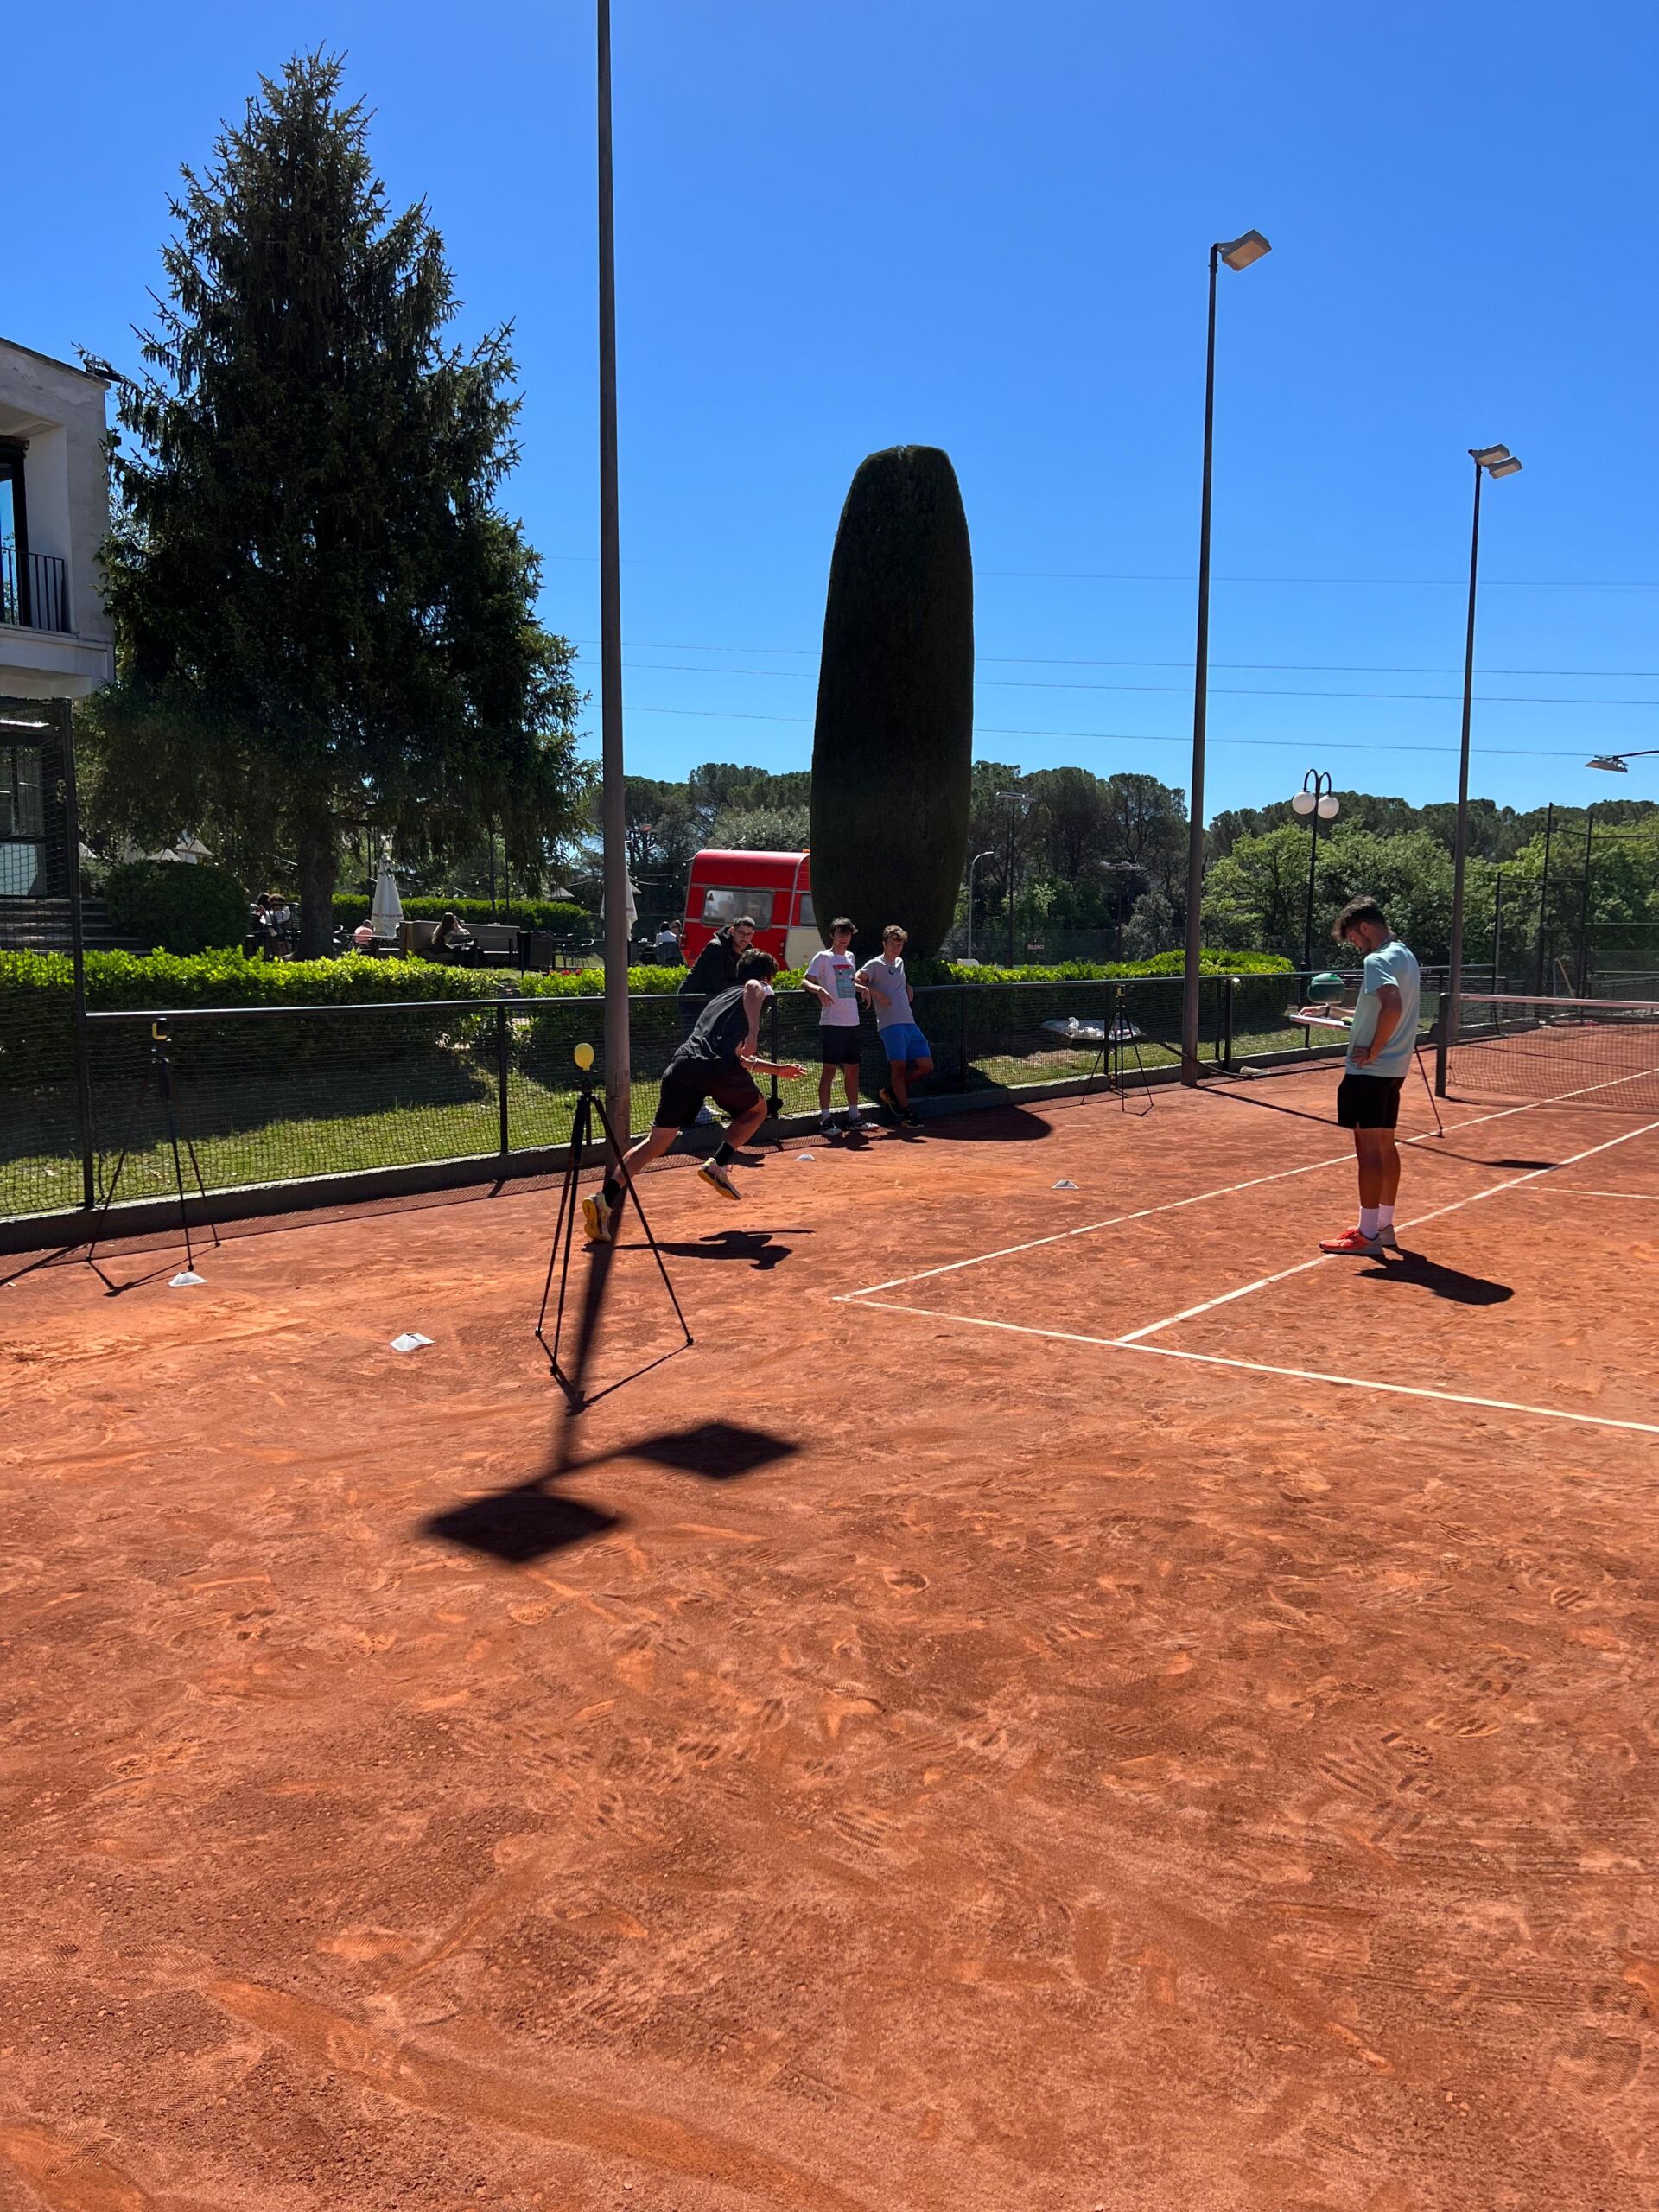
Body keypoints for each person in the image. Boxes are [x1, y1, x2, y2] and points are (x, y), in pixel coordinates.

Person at [582, 949, 802, 1242]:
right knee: (757, 1111)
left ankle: (604, 1199)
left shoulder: (719, 1000)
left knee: (655, 1142)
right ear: (767, 977)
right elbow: (753, 987)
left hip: (683, 1066)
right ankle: (718, 1164)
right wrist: (754, 1032)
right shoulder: (756, 988)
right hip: (716, 1068)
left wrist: (777, 1070)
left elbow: (739, 1058)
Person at [1319, 895, 1421, 1259]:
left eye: (1353, 938)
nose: (1355, 945)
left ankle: (1367, 1235)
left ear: (1364, 927)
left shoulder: (1376, 959)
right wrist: (1330, 1012)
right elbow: (1379, 1008)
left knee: (1369, 1152)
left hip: (1369, 1072)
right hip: (1393, 1072)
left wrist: (1374, 1050)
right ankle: (1383, 1226)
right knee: (1386, 1147)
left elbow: (1391, 1006)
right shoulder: (1405, 956)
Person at [858, 925, 932, 1129]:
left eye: (899, 945)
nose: (896, 948)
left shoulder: (900, 963)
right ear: (884, 943)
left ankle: (891, 1092)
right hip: (890, 1024)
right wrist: (876, 993)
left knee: (927, 1065)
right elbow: (855, 979)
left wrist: (908, 987)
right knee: (898, 1069)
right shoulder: (875, 964)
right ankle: (906, 1113)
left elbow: (897, 982)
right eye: (892, 944)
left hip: (909, 1022)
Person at [803, 918, 868, 1133]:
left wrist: (862, 988)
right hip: (832, 1022)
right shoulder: (823, 957)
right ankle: (825, 1119)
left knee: (853, 1070)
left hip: (853, 1022)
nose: (844, 938)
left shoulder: (850, 957)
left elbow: (847, 983)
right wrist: (818, 989)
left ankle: (854, 1117)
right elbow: (805, 980)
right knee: (829, 1071)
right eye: (840, 933)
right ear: (832, 935)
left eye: (847, 934)